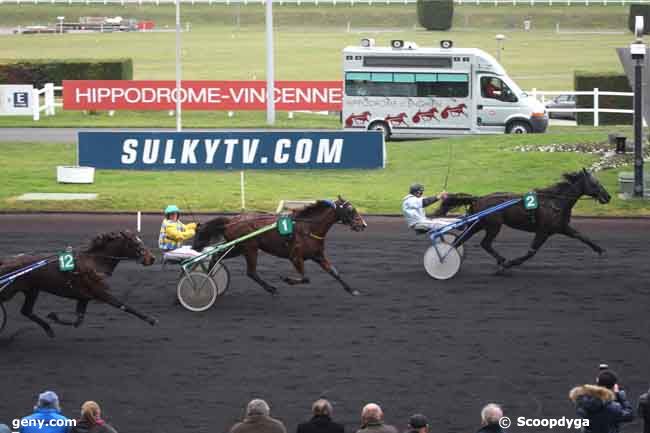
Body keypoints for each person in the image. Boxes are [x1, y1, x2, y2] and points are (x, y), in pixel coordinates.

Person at [569, 369, 635, 433]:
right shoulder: (613, 407)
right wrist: (621, 397)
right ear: (613, 386)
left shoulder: (583, 402)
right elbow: (629, 415)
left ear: (597, 382)